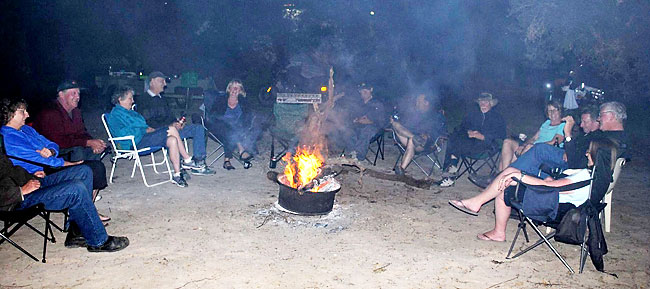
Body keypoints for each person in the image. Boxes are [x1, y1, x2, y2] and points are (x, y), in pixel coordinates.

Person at [449, 138, 620, 242]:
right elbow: (562, 187)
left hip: (551, 207)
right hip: (556, 200)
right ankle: (477, 203)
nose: (586, 154)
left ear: (596, 156)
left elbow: (549, 187)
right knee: (510, 174)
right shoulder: (597, 177)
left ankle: (496, 230)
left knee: (507, 184)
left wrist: (520, 176)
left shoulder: (584, 176)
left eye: (590, 152)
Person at [0, 138, 129, 252]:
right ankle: (98, 241)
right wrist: (21, 191)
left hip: (29, 182)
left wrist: (30, 176)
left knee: (83, 171)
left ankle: (76, 232)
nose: (27, 114)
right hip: (16, 199)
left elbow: (11, 171)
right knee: (75, 189)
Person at [1, 98, 110, 222]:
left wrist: (51, 151)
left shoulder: (27, 129)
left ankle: (87, 211)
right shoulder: (8, 138)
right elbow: (38, 160)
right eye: (23, 111)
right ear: (10, 114)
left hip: (50, 165)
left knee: (95, 165)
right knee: (91, 168)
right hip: (39, 174)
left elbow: (53, 144)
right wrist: (68, 164)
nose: (28, 114)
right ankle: (86, 214)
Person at [106, 86, 208, 187]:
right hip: (133, 143)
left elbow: (141, 124)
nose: (132, 101)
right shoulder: (115, 115)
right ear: (120, 99)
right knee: (171, 130)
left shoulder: (131, 112)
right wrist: (143, 130)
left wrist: (147, 129)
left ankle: (177, 175)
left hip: (143, 138)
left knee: (172, 140)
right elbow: (122, 133)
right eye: (130, 98)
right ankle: (187, 160)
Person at [33, 80, 109, 205]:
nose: (78, 97)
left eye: (78, 93)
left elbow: (82, 132)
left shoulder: (76, 112)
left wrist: (94, 142)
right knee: (79, 150)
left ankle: (88, 193)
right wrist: (87, 142)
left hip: (69, 148)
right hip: (52, 156)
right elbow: (58, 141)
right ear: (61, 95)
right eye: (73, 93)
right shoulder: (50, 113)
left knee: (94, 151)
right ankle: (77, 191)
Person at [469, 101, 566, 188]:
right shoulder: (546, 123)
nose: (552, 113)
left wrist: (532, 147)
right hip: (531, 148)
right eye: (549, 111)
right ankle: (502, 175)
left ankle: (499, 178)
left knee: (529, 147)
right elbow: (533, 138)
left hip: (543, 154)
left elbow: (554, 142)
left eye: (555, 110)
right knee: (508, 142)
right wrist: (523, 146)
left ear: (560, 111)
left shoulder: (562, 125)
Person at [136, 71, 213, 175]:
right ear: (152, 82)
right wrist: (169, 126)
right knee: (171, 133)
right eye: (161, 81)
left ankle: (199, 162)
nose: (165, 84)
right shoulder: (143, 99)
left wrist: (177, 123)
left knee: (198, 128)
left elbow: (170, 116)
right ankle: (181, 165)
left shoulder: (162, 98)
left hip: (171, 128)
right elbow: (147, 121)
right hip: (157, 132)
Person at [439, 92, 506, 187]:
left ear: (491, 103)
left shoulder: (497, 118)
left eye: (486, 102)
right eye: (481, 102)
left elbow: (501, 136)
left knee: (455, 142)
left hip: (486, 147)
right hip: (469, 144)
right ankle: (450, 171)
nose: (483, 104)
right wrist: (468, 131)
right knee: (454, 138)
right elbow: (462, 127)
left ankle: (450, 173)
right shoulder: (473, 115)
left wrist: (482, 136)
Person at [205, 79, 260, 170]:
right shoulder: (221, 100)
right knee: (228, 128)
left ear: (241, 91)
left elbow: (248, 119)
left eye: (237, 88)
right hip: (219, 128)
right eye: (233, 87)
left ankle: (227, 161)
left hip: (237, 130)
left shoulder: (244, 103)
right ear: (229, 89)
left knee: (233, 130)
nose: (234, 89)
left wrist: (245, 127)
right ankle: (241, 150)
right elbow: (212, 116)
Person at [391, 93, 446, 175]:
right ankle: (414, 137)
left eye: (419, 101)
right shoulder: (414, 114)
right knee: (395, 124)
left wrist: (427, 135)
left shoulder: (436, 115)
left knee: (411, 140)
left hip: (426, 144)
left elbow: (439, 131)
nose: (416, 103)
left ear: (426, 103)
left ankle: (402, 168)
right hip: (411, 138)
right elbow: (405, 126)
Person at [339, 83, 386, 161]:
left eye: (365, 91)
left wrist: (369, 121)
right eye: (362, 92)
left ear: (370, 90)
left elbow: (380, 121)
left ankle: (359, 156)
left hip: (374, 128)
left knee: (366, 131)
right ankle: (352, 152)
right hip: (358, 126)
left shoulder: (377, 104)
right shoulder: (359, 104)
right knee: (346, 129)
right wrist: (355, 119)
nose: (363, 94)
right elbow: (352, 116)